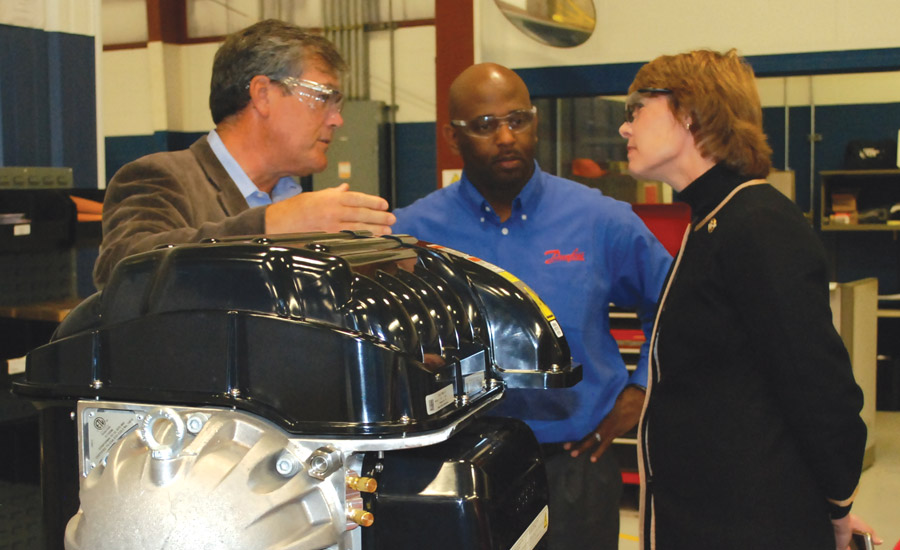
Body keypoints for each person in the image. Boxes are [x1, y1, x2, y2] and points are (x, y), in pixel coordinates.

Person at [392, 62, 673, 549]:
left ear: (535, 122)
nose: (505, 137)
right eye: (484, 125)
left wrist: (642, 390)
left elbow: (675, 304)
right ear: (452, 136)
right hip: (457, 467)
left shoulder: (600, 220)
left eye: (517, 120)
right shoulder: (413, 234)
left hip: (575, 468)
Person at [619, 49, 880, 549]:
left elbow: (819, 386)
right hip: (709, 520)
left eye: (638, 108)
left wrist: (837, 504)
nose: (626, 128)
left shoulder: (756, 222)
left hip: (745, 527)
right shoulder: (712, 219)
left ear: (689, 111)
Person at [93, 19, 394, 288]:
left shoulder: (293, 198)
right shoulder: (162, 178)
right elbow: (123, 269)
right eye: (323, 97)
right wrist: (271, 225)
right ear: (262, 94)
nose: (336, 119)